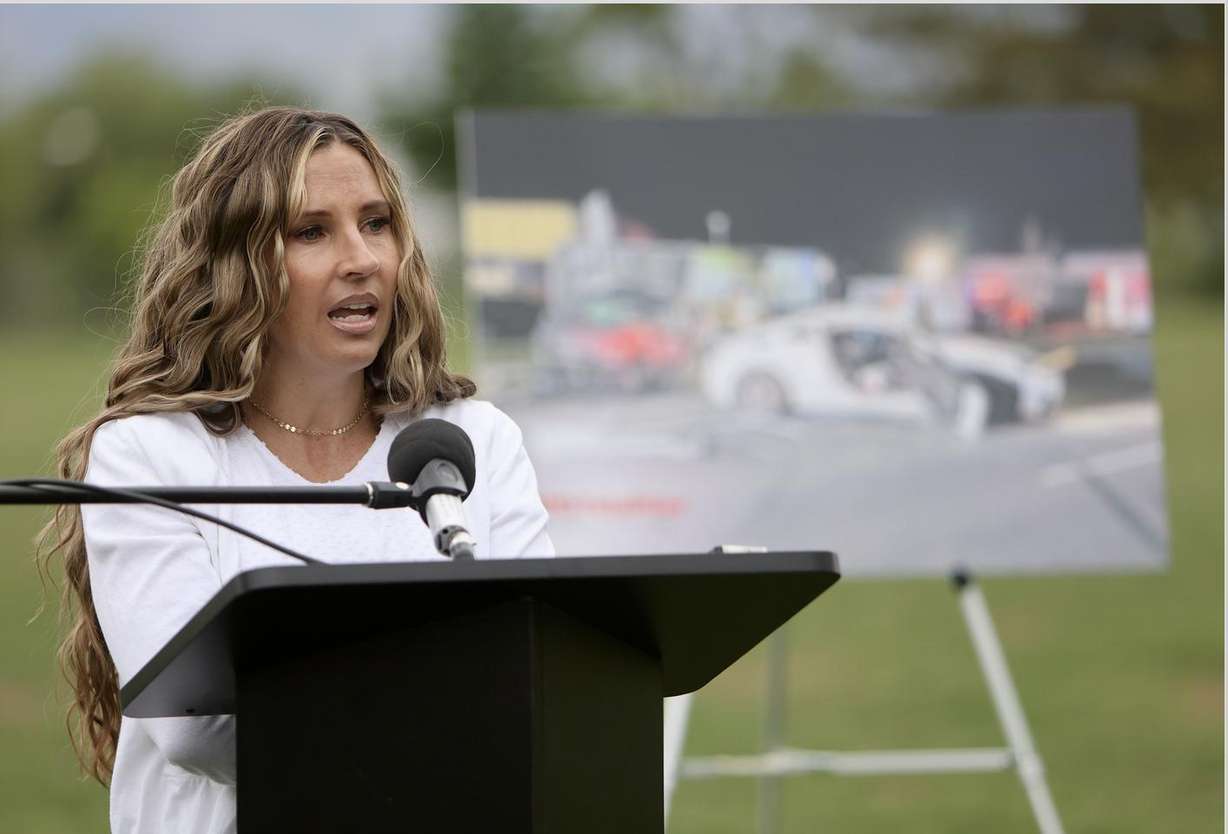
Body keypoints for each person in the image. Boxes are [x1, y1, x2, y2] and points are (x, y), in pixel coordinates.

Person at [39, 107, 554, 834]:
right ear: (234, 264)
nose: (362, 258)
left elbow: (543, 682)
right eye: (312, 231)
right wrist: (451, 701)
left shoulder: (473, 440)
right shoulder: (149, 453)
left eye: (376, 223)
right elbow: (197, 726)